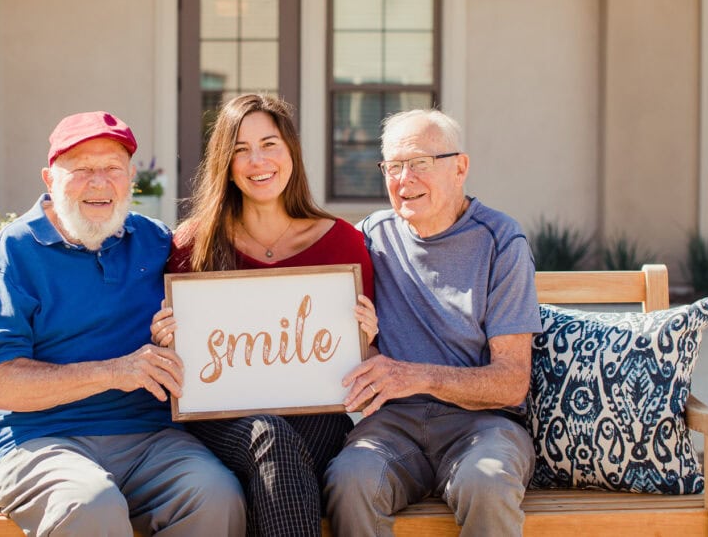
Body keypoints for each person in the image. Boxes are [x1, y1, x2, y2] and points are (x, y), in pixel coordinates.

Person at [0, 111, 245, 537]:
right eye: (81, 170)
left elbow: (219, 312)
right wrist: (116, 371)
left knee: (216, 495)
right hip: (37, 440)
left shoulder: (154, 241)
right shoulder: (15, 250)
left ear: (131, 178)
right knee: (91, 505)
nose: (99, 183)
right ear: (49, 179)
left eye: (112, 169)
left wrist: (180, 334)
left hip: (149, 438)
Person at [150, 93, 377, 537]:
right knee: (271, 438)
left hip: (317, 415)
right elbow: (180, 366)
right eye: (240, 149)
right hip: (220, 420)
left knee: (278, 450)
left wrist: (367, 337)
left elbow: (362, 369)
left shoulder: (343, 244)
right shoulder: (191, 245)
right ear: (225, 163)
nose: (258, 160)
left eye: (269, 143)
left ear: (290, 150)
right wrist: (166, 340)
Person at [324, 108, 541, 537]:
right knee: (350, 480)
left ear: (459, 167)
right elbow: (332, 330)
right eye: (394, 166)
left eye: (420, 163)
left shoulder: (501, 242)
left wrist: (415, 376)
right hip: (392, 427)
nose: (405, 180)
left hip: (483, 424)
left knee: (488, 482)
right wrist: (361, 341)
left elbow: (513, 381)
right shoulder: (369, 237)